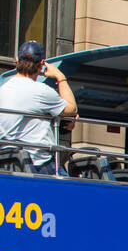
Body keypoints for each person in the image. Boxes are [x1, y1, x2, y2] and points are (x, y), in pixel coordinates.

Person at [0, 41, 77, 174]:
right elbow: (71, 108)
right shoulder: (41, 91)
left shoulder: (3, 88)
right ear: (41, 64)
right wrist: (60, 76)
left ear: (18, 60)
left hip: (8, 161)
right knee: (72, 189)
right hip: (38, 164)